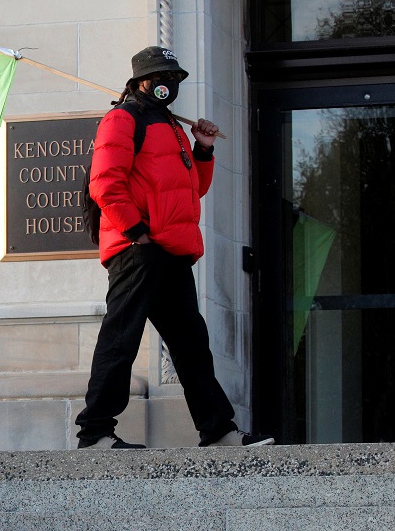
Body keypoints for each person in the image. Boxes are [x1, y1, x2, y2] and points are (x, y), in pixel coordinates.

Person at [75, 47, 274, 450]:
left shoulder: (171, 126)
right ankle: (94, 433)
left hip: (172, 251)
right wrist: (137, 232)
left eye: (175, 78)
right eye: (162, 77)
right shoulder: (123, 118)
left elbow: (191, 190)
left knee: (191, 346)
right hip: (140, 249)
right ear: (140, 81)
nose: (169, 84)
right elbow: (105, 182)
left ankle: (217, 430)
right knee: (121, 338)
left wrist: (202, 148)